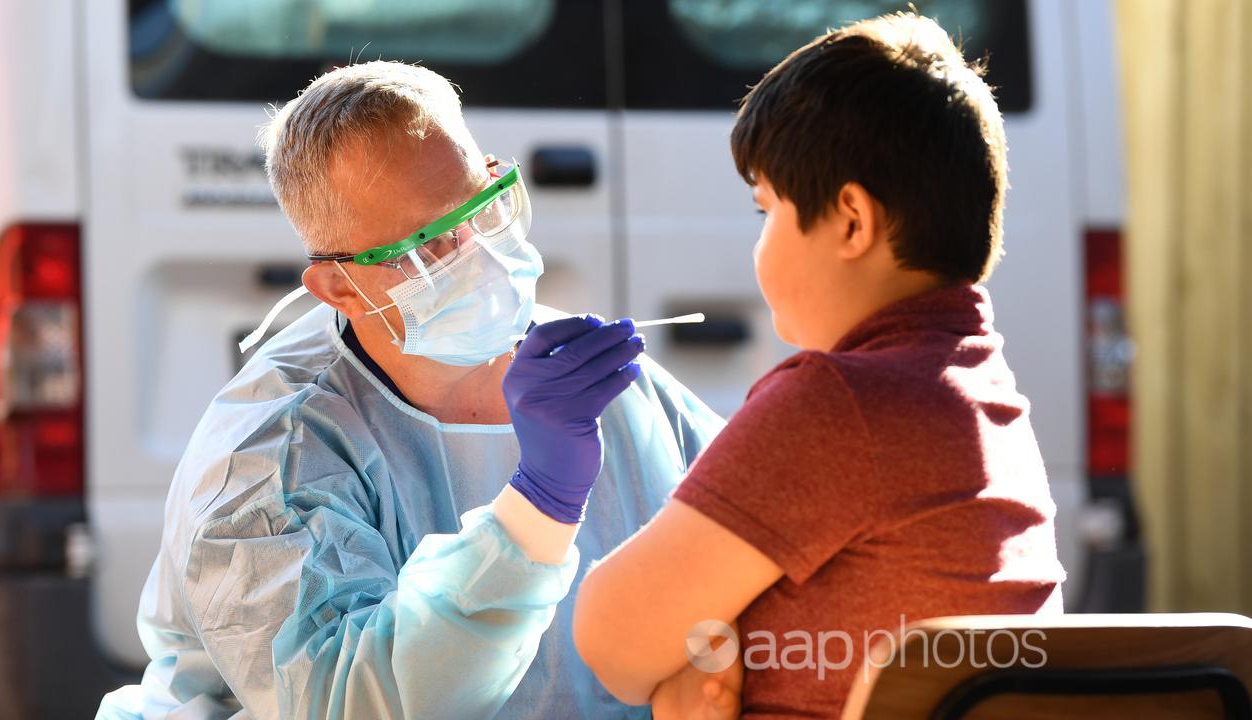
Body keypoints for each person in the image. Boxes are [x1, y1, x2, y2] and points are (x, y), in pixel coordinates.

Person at [96, 61, 731, 719]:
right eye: (425, 250)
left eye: (484, 208)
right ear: (340, 286)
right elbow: (355, 702)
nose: (476, 254)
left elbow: (758, 555)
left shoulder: (609, 393)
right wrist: (539, 506)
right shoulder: (267, 463)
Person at [564, 13, 1067, 719]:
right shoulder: (985, 399)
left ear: (852, 222)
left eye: (766, 208)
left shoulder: (841, 403)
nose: (759, 243)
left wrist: (701, 657)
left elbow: (610, 641)